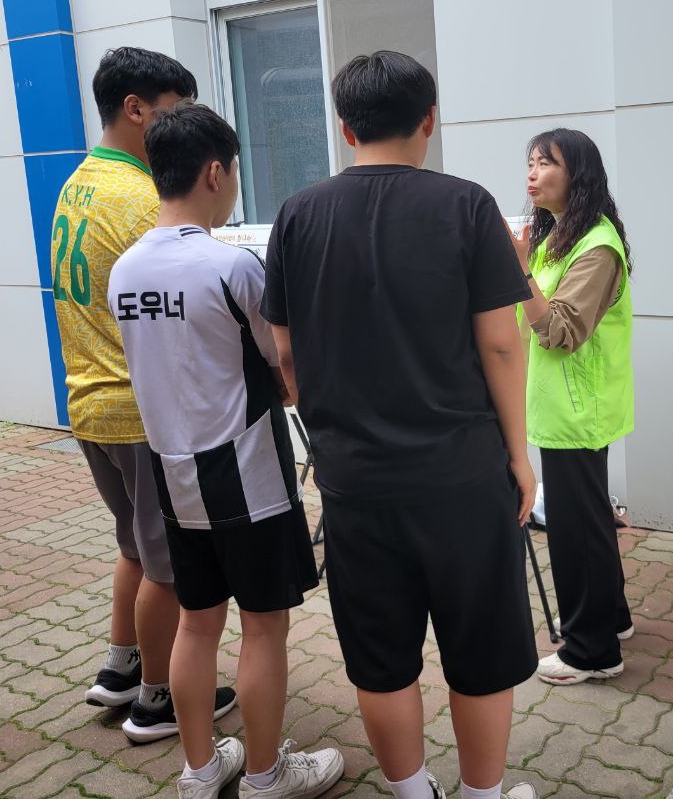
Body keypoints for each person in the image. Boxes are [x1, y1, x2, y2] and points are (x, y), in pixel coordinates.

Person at [261, 51, 539, 799]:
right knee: (480, 650)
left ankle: (415, 793)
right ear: (429, 120)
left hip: (355, 483)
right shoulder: (467, 206)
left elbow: (283, 352)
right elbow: (502, 342)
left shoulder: (297, 214)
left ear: (344, 128)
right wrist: (520, 456)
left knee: (381, 655)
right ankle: (482, 796)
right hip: (462, 474)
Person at [110, 103, 343, 799]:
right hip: (247, 474)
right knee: (264, 625)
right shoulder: (230, 266)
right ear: (215, 172)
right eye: (235, 170)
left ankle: (200, 771)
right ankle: (269, 776)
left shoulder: (125, 271)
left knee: (197, 621)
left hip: (172, 473)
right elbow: (285, 365)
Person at [52, 47, 235, 741]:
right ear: (136, 109)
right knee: (168, 566)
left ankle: (121, 665)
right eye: (174, 111)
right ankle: (158, 700)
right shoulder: (140, 199)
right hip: (141, 413)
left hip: (89, 403)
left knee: (134, 546)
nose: (181, 126)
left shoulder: (79, 185)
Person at [510, 129, 635, 686]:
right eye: (530, 163)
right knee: (589, 522)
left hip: (577, 411)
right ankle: (610, 618)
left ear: (576, 174)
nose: (532, 173)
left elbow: (559, 331)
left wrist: (518, 271)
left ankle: (591, 651)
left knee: (575, 530)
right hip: (567, 406)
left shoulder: (596, 246)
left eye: (546, 163)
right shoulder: (560, 234)